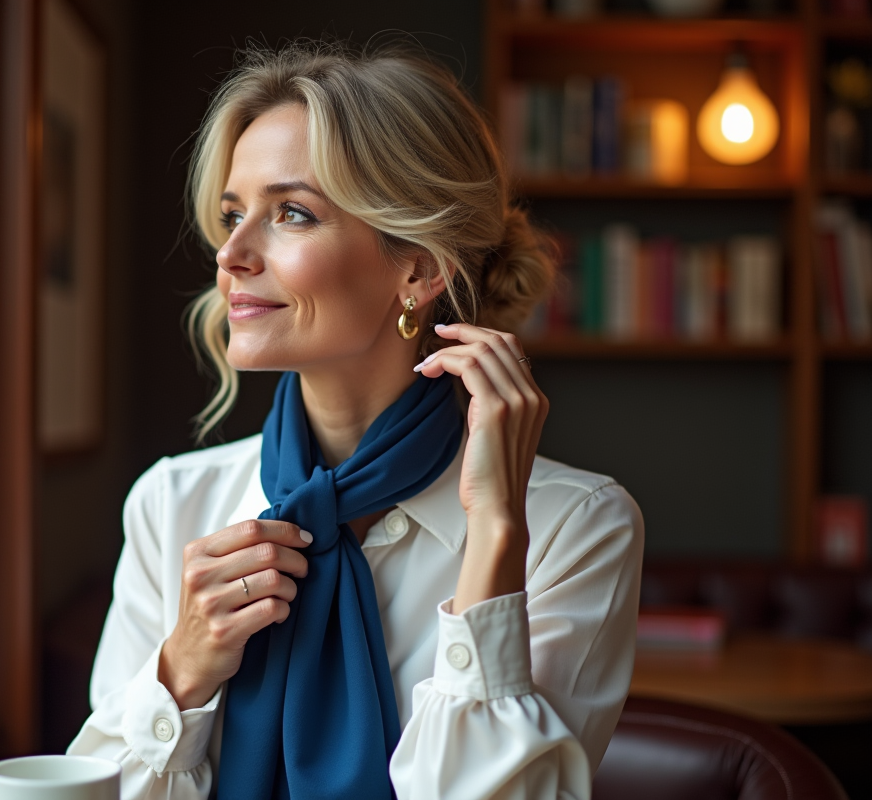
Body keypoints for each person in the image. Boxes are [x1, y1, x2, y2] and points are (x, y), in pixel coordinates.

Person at [68, 41, 643, 800]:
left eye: (291, 214)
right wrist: (181, 670)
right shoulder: (172, 506)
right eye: (233, 215)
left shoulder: (576, 529)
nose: (231, 254)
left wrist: (495, 544)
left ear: (418, 268)